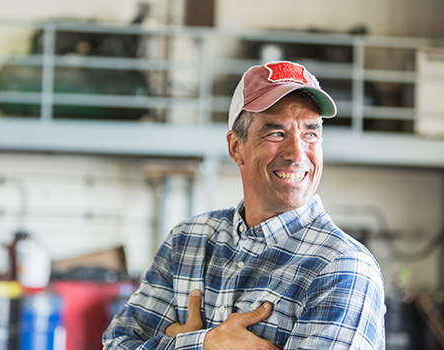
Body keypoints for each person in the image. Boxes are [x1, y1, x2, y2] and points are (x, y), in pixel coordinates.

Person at [102, 61, 385, 350]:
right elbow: (116, 345)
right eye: (276, 133)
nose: (297, 153)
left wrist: (181, 342)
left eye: (310, 134)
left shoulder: (342, 267)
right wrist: (205, 344)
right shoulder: (188, 240)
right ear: (237, 147)